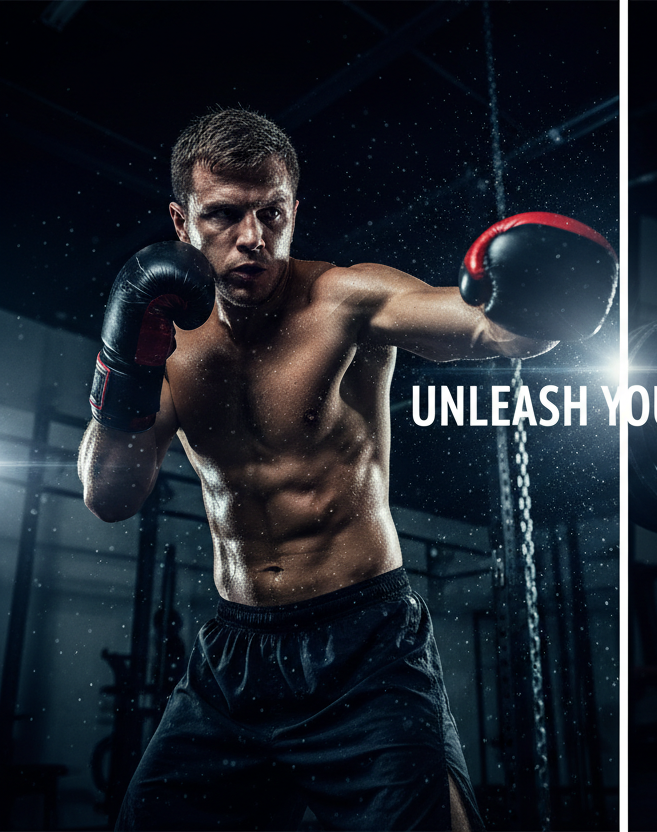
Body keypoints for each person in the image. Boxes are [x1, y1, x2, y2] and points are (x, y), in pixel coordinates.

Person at [77, 108, 616, 831]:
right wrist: (125, 373)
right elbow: (110, 496)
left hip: (365, 644)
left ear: (294, 211)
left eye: (271, 213)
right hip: (237, 656)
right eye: (224, 216)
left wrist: (545, 300)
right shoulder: (164, 343)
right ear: (181, 222)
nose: (252, 239)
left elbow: (486, 331)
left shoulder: (346, 300)